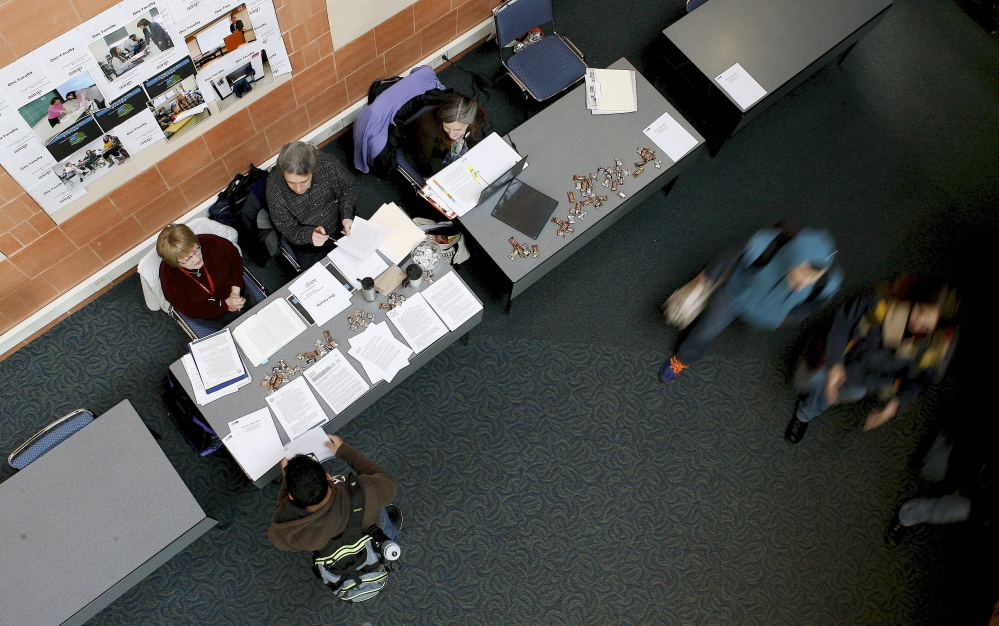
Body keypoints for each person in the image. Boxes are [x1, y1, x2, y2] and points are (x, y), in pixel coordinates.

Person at [659, 224, 843, 383]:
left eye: (813, 277)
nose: (804, 283)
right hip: (734, 296)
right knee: (707, 330)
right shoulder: (766, 245)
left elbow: (814, 304)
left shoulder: (827, 282)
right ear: (792, 258)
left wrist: (789, 318)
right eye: (803, 272)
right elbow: (729, 256)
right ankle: (683, 358)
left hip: (767, 313)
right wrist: (705, 279)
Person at [785, 276, 959, 443]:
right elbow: (843, 321)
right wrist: (835, 363)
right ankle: (810, 357)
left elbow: (919, 381)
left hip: (864, 378)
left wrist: (896, 404)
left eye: (926, 326)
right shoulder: (882, 302)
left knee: (840, 394)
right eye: (920, 311)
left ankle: (804, 414)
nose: (918, 322)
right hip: (840, 353)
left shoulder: (933, 351)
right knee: (802, 382)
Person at [268, 435, 400, 552]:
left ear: (291, 496)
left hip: (334, 549)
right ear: (328, 477)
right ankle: (391, 533)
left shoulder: (287, 531)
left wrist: (286, 483)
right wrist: (346, 452)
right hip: (367, 524)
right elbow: (389, 482)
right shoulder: (368, 490)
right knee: (385, 530)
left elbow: (277, 532)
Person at [266, 141, 357, 269]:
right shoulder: (274, 189)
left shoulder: (329, 164)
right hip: (309, 242)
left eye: (304, 181)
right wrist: (308, 235)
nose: (298, 189)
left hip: (342, 223)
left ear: (313, 171)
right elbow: (287, 228)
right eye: (291, 183)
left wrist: (347, 215)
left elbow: (348, 187)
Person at [156, 224, 249, 329]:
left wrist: (235, 292)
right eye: (187, 259)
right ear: (175, 263)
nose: (196, 259)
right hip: (207, 311)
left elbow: (235, 261)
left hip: (235, 290)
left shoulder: (211, 242)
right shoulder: (169, 278)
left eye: (195, 250)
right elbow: (190, 309)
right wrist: (225, 304)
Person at [406, 93, 485, 177]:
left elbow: (472, 141)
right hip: (424, 145)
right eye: (447, 127)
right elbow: (423, 158)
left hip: (445, 147)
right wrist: (428, 177)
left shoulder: (476, 119)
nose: (451, 134)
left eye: (458, 129)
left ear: (469, 123)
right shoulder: (428, 127)